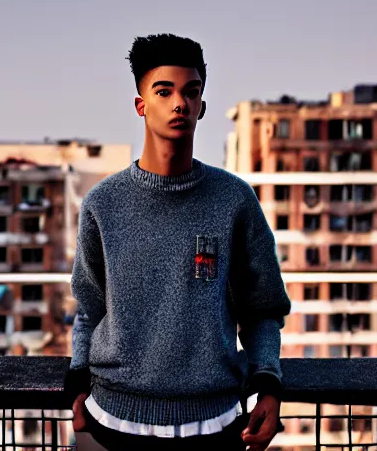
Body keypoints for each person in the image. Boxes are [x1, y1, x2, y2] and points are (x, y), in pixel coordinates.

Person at [67, 33, 291, 451]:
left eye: (191, 92)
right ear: (141, 105)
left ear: (202, 106)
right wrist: (78, 384)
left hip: (215, 427)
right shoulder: (103, 204)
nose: (179, 103)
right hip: (108, 425)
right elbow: (89, 309)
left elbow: (263, 310)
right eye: (164, 91)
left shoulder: (234, 200)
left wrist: (269, 385)